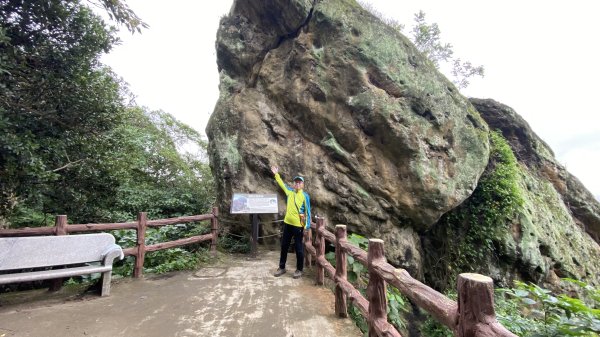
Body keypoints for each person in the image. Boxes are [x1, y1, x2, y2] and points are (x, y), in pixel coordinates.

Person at [271, 166, 311, 279]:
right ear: (294, 184)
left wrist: (307, 226)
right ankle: (282, 267)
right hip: (287, 224)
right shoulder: (290, 192)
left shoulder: (305, 196)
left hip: (298, 226)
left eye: (299, 183)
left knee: (298, 248)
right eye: (296, 182)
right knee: (284, 246)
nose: (297, 184)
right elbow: (281, 184)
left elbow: (308, 212)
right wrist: (276, 174)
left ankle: (299, 269)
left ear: (302, 185)